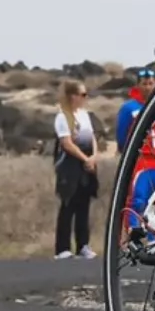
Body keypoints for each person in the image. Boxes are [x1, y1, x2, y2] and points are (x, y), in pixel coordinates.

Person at [115, 66, 155, 239]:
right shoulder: (129, 108)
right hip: (140, 160)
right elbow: (122, 136)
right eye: (144, 83)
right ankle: (133, 234)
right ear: (138, 85)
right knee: (138, 199)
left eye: (151, 83)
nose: (148, 87)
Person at [52, 80, 100, 259]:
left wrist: (94, 156)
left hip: (87, 165)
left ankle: (83, 245)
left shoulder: (85, 115)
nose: (85, 98)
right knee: (68, 205)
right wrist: (84, 158)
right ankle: (62, 248)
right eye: (82, 95)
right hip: (70, 166)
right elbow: (66, 143)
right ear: (73, 96)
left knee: (83, 205)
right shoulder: (62, 117)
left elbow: (92, 137)